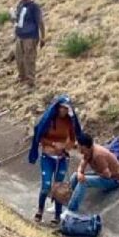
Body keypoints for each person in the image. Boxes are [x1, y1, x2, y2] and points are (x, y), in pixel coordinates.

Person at [28, 95, 82, 224]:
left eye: (66, 108)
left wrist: (65, 147)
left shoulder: (69, 121)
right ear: (57, 107)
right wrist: (53, 145)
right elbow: (39, 136)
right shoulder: (48, 120)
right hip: (48, 157)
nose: (63, 111)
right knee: (46, 185)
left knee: (59, 186)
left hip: (61, 158)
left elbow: (73, 139)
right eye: (61, 108)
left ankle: (57, 215)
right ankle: (40, 210)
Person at [65, 133, 119, 214]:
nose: (77, 147)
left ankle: (71, 210)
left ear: (84, 147)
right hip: (101, 173)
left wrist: (87, 178)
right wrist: (80, 173)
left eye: (79, 145)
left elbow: (107, 175)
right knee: (75, 176)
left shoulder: (98, 155)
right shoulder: (88, 150)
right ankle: (68, 201)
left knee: (84, 181)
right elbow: (82, 164)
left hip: (114, 179)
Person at [9, 0, 45, 87]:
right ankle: (22, 77)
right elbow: (17, 21)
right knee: (19, 59)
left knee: (29, 59)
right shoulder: (20, 5)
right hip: (20, 36)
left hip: (30, 36)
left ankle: (30, 80)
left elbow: (40, 22)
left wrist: (43, 36)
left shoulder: (34, 7)